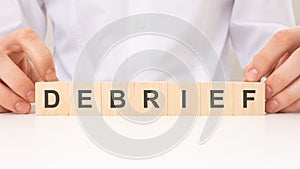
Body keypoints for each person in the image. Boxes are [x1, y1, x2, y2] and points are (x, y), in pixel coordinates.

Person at [0, 0, 296, 114]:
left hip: (210, 133)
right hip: (66, 132)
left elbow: (274, 58)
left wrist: (289, 79)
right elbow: (10, 46)